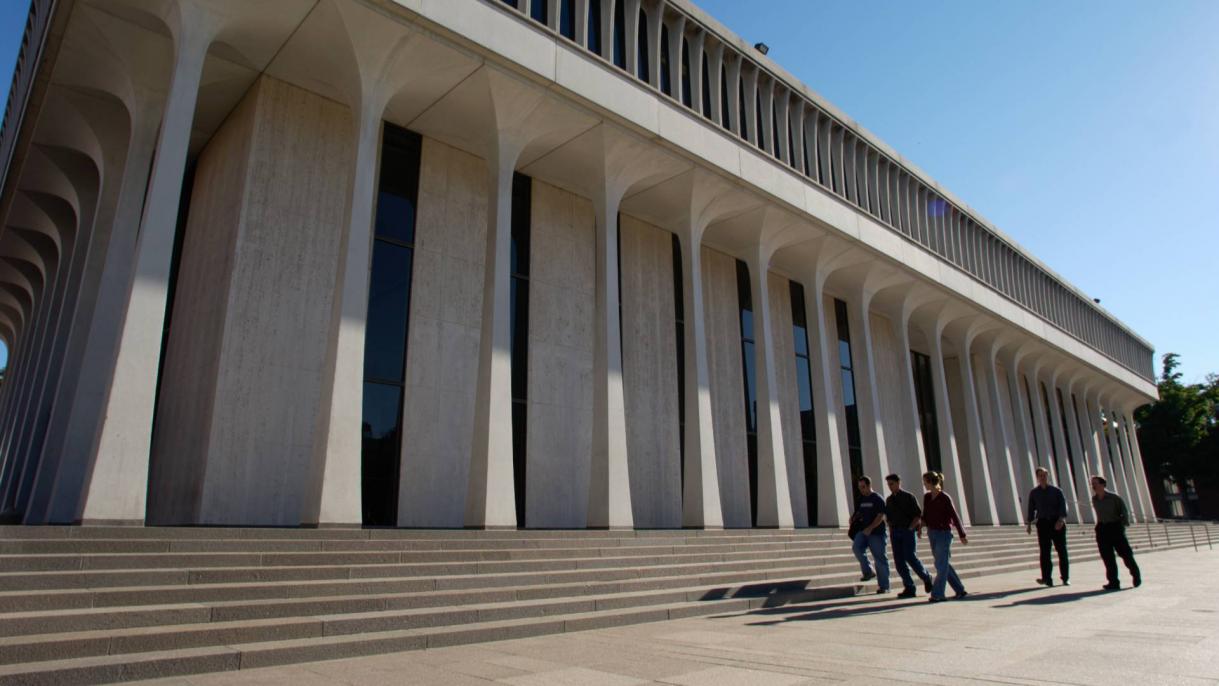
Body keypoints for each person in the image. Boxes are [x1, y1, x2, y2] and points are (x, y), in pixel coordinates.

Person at [920, 471, 968, 603]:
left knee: (940, 564)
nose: (924, 484)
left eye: (925, 481)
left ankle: (938, 593)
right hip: (932, 533)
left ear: (930, 482)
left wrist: (962, 534)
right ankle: (959, 589)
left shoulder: (945, 497)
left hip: (944, 533)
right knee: (943, 563)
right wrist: (919, 527)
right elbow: (925, 515)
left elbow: (954, 516)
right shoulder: (927, 497)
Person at [884, 473, 933, 598]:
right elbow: (888, 517)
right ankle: (909, 587)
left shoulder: (908, 497)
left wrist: (911, 528)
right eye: (888, 484)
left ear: (898, 483)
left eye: (892, 484)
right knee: (899, 561)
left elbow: (917, 514)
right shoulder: (889, 500)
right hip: (895, 532)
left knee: (910, 556)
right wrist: (891, 529)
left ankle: (926, 577)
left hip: (907, 531)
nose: (890, 486)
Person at [1091, 476, 1141, 590]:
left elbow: (1124, 511)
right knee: (1107, 557)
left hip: (1115, 527)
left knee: (1126, 554)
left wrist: (1122, 525)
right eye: (1092, 484)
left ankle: (1136, 575)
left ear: (1103, 484)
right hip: (1102, 529)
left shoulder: (1114, 497)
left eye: (1095, 483)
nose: (1093, 486)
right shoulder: (1094, 499)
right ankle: (1113, 581)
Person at [1025, 466, 1070, 586]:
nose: (1042, 477)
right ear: (1037, 478)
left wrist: (1061, 519)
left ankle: (1065, 577)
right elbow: (1031, 509)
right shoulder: (1034, 493)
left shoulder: (1056, 491)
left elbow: (1063, 506)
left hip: (1057, 522)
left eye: (1044, 475)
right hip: (1043, 523)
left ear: (1048, 476)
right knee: (1044, 552)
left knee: (1062, 550)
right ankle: (1047, 578)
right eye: (1040, 475)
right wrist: (1029, 523)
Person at [850, 476, 891, 594]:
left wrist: (871, 528)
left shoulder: (877, 499)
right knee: (856, 548)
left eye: (863, 487)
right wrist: (853, 518)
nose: (861, 490)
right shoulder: (861, 499)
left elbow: (881, 516)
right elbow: (859, 511)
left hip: (876, 533)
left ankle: (884, 586)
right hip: (863, 531)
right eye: (859, 487)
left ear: (869, 485)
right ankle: (868, 571)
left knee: (880, 558)